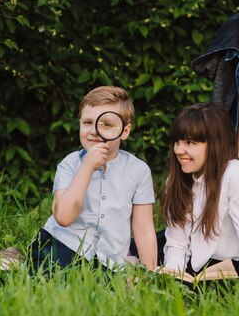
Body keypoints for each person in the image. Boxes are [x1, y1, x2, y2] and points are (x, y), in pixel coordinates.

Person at [29, 85, 157, 273]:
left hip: (108, 261)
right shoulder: (69, 164)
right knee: (48, 280)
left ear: (125, 131)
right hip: (61, 247)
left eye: (106, 123)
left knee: (109, 290)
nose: (94, 131)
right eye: (87, 122)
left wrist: (149, 274)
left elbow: (144, 230)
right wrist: (87, 167)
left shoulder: (138, 170)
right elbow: (63, 217)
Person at [161, 102, 239, 292]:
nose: (179, 150)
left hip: (229, 267)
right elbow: (176, 242)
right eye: (177, 142)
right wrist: (173, 280)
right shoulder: (177, 178)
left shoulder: (235, 176)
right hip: (193, 264)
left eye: (190, 143)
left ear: (215, 144)